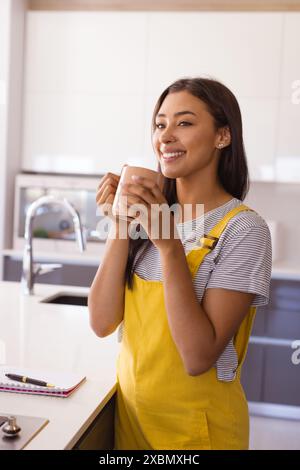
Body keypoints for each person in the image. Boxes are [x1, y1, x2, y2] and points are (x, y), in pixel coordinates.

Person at [88, 77, 272, 450]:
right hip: (132, 423)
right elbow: (102, 322)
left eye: (184, 123)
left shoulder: (244, 230)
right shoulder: (149, 218)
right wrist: (122, 223)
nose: (165, 136)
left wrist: (170, 247)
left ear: (223, 136)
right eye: (160, 124)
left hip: (198, 434)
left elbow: (197, 356)